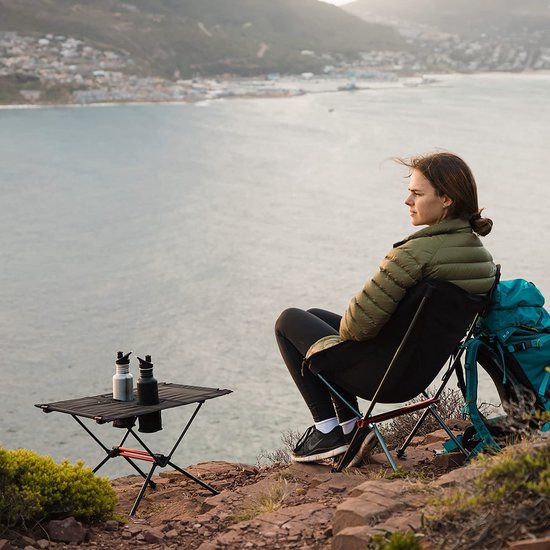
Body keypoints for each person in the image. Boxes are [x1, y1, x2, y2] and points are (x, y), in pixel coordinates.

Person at [274, 151, 497, 463]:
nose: (408, 200)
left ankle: (326, 431)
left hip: (379, 376)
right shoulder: (482, 260)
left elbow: (356, 326)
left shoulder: (414, 254)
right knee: (315, 316)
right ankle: (351, 427)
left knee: (290, 321)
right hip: (416, 372)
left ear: (446, 199)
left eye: (417, 193)